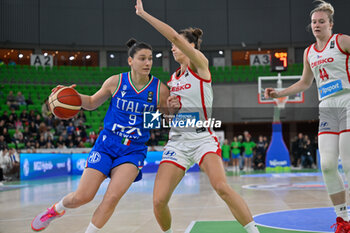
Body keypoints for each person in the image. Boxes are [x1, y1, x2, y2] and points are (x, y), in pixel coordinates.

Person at [135, 1, 260, 233]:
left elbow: (173, 35)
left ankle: (254, 231)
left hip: (203, 140)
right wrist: (170, 109)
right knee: (158, 201)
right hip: (178, 142)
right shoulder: (172, 79)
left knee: (222, 187)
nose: (173, 48)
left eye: (177, 45)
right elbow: (171, 117)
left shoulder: (201, 66)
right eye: (172, 46)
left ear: (191, 46)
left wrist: (143, 14)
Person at [31, 38, 170, 233]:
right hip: (107, 143)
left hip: (133, 150)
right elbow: (91, 103)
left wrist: (170, 111)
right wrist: (72, 95)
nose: (147, 63)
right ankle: (55, 210)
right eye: (142, 58)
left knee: (112, 197)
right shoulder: (116, 82)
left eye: (150, 59)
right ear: (130, 61)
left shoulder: (159, 89)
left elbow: (165, 119)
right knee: (83, 196)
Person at [264, 0, 350, 230]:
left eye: (321, 21)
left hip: (348, 100)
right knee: (328, 165)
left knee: (349, 163)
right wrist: (279, 93)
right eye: (313, 22)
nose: (316, 25)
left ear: (330, 24)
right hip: (327, 107)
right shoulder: (309, 52)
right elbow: (304, 82)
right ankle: (343, 220)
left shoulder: (342, 41)